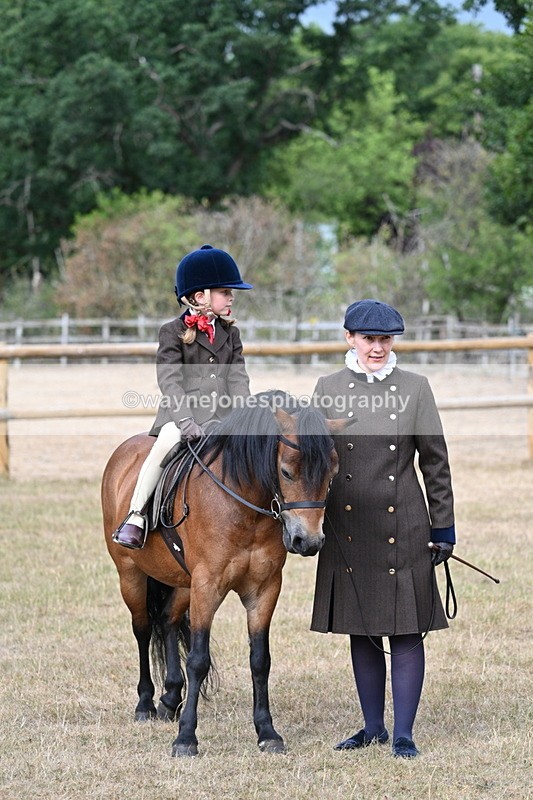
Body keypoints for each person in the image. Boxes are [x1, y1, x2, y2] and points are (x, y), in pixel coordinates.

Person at [311, 299, 455, 758]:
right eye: (369, 338)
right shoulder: (326, 387)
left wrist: (444, 526)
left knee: (407, 630)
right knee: (363, 629)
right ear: (349, 338)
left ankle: (404, 734)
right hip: (348, 526)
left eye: (385, 339)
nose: (377, 347)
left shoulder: (416, 388)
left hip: (406, 524)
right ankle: (372, 726)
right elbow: (312, 461)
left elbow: (436, 462)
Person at [113, 244, 252, 549]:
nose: (231, 297)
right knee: (164, 445)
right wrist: (186, 420)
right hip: (182, 417)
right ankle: (136, 515)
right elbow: (170, 381)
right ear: (199, 296)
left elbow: (239, 379)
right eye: (225, 291)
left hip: (223, 418)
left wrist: (246, 416)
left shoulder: (231, 334)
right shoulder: (171, 332)